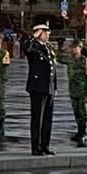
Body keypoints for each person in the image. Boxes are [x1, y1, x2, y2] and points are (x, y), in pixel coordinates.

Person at [24, 23, 57, 156]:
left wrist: (55, 86)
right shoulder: (34, 47)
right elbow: (26, 49)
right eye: (45, 32)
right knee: (38, 118)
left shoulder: (47, 48)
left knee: (47, 119)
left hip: (48, 87)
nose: (48, 35)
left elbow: (52, 69)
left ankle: (45, 145)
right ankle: (35, 147)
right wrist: (33, 37)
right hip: (37, 87)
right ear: (38, 33)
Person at [59, 40, 87, 147]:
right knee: (76, 111)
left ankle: (83, 132)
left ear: (80, 48)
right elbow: (58, 58)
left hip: (83, 91)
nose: (73, 49)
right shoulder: (70, 60)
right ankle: (79, 132)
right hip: (73, 90)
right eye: (72, 47)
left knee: (83, 112)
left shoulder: (84, 61)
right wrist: (63, 49)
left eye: (75, 47)